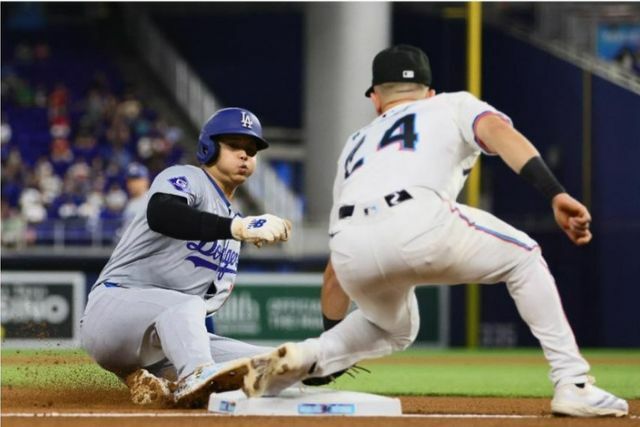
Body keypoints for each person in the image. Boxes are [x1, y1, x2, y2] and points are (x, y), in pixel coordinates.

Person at [242, 45, 629, 418]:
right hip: (417, 219)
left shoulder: (354, 145)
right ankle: (573, 384)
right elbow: (499, 134)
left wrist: (334, 342)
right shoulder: (451, 103)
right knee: (524, 256)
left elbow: (333, 273)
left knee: (393, 328)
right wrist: (554, 192)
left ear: (376, 98)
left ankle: (309, 356)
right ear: (429, 91)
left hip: (350, 246)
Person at [80, 107, 291, 408]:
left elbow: (204, 306)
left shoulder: (234, 229)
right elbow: (162, 213)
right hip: (112, 311)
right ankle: (195, 376)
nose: (245, 155)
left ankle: (155, 378)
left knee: (268, 360)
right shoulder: (187, 177)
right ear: (209, 148)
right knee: (186, 306)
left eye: (251, 149)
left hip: (154, 346)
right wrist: (237, 227)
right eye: (234, 145)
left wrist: (311, 363)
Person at [120, 162, 150, 232]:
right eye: (129, 180)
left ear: (145, 181)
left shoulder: (152, 200)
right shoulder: (129, 203)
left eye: (135, 180)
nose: (131, 184)